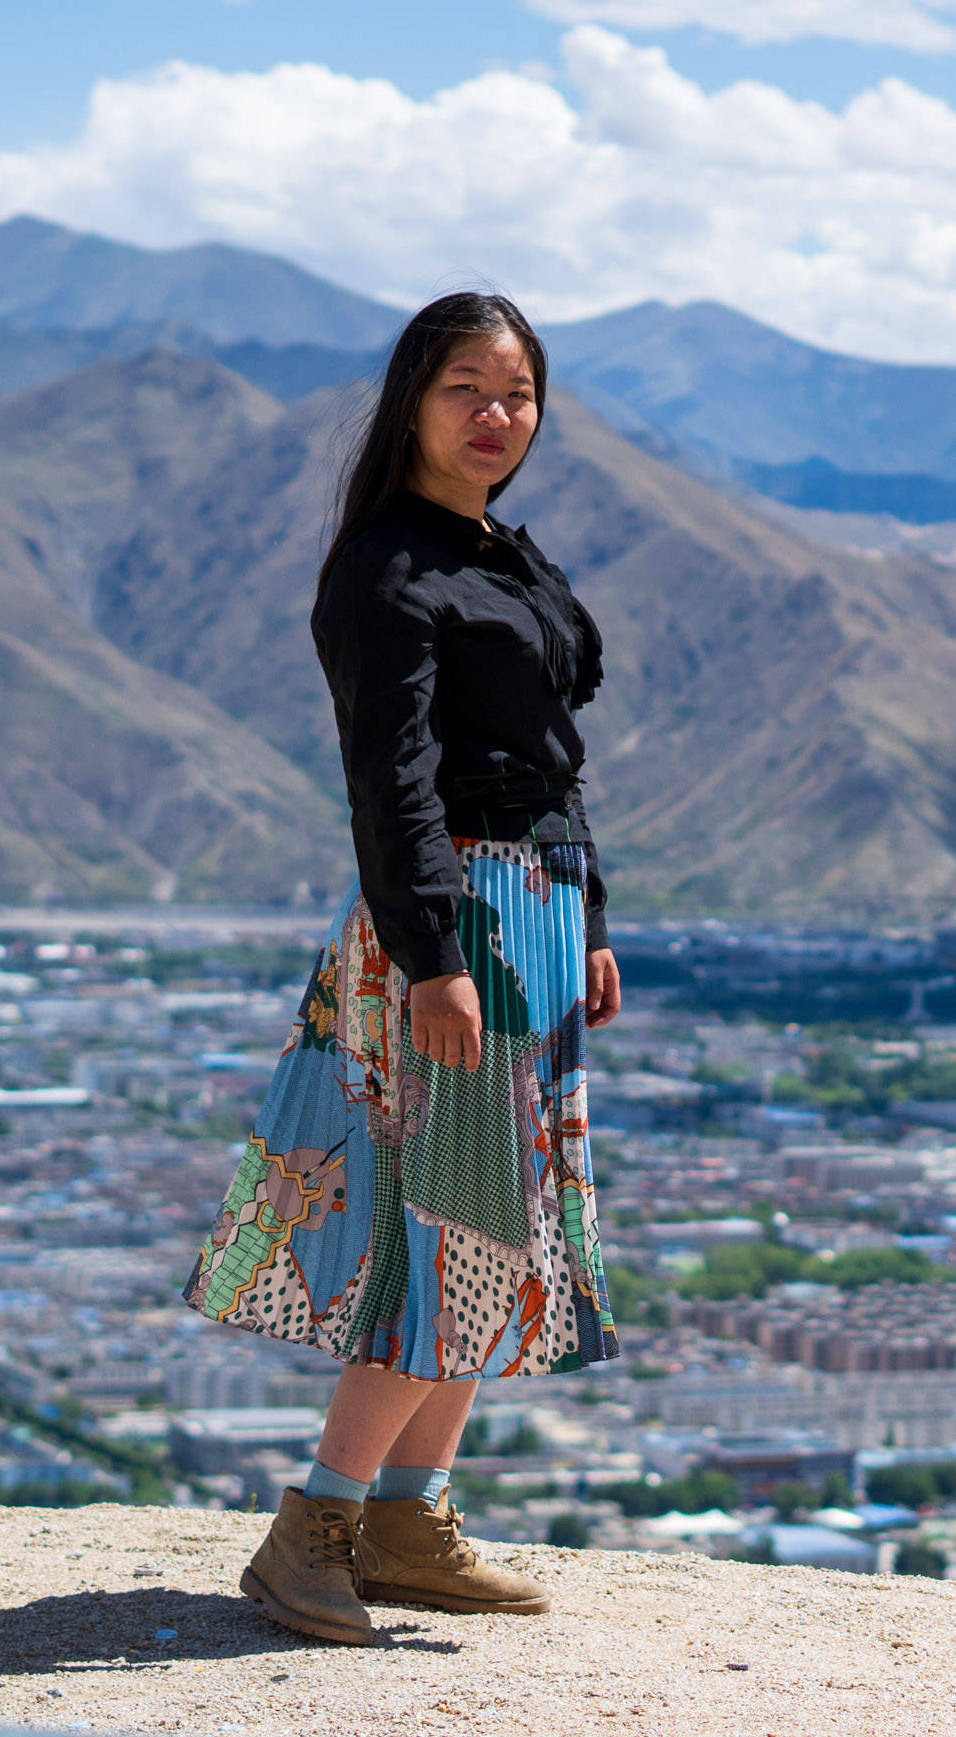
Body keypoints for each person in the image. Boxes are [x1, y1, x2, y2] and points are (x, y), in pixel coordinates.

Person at [182, 290, 623, 1644]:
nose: (497, 417)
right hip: (459, 931)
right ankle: (312, 1528)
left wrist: (589, 917)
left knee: (507, 1233)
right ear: (410, 406)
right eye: (465, 392)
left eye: (517, 393)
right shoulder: (387, 569)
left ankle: (410, 1518)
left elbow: (545, 761)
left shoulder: (504, 555)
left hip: (531, 926)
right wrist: (438, 956)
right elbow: (397, 782)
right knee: (447, 1234)